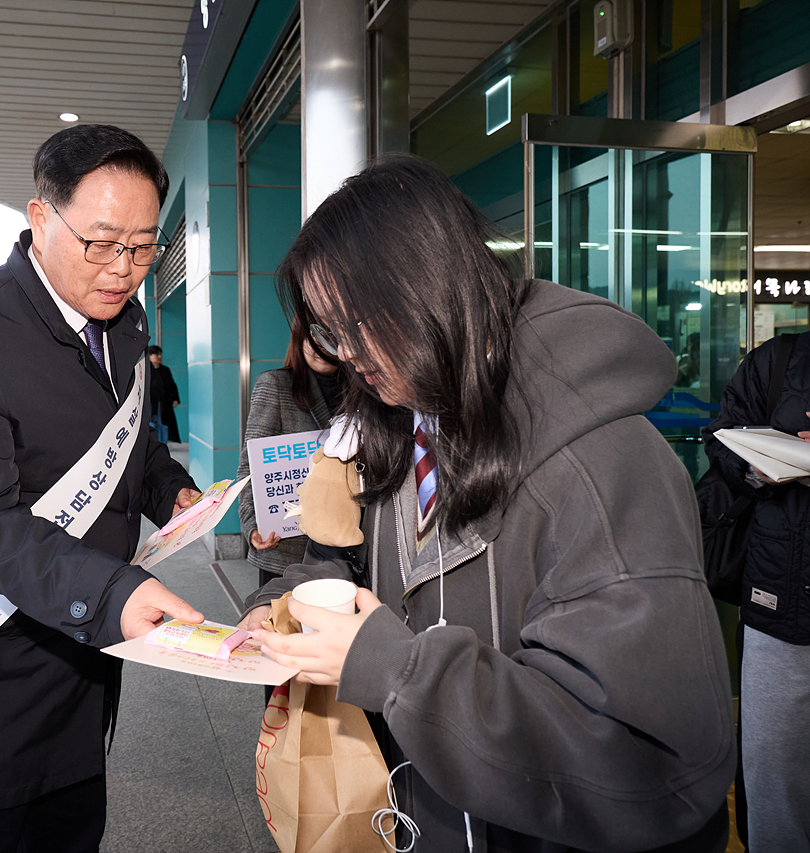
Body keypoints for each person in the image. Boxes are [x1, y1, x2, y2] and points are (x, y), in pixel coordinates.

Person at [239, 155, 736, 851]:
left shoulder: (605, 465)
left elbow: (650, 764)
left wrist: (395, 670)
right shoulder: (401, 423)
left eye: (355, 321)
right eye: (329, 331)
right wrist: (288, 600)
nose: (345, 352)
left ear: (428, 286)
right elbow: (349, 566)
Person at [0, 124, 204, 853]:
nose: (124, 268)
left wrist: (171, 490)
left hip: (84, 657)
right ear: (41, 217)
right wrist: (115, 593)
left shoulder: (122, 325)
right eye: (102, 242)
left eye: (143, 246)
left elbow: (134, 443)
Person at [703, 331, 810, 852]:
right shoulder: (778, 360)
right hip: (777, 605)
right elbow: (721, 439)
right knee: (774, 787)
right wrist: (754, 467)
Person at [236, 316, 342, 590]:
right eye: (313, 338)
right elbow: (250, 467)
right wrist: (252, 525)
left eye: (331, 337)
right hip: (288, 547)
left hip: (348, 544)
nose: (321, 348)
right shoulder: (275, 384)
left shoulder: (364, 393)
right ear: (299, 339)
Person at [146, 344, 180, 442]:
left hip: (163, 403)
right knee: (151, 423)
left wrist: (175, 398)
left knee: (163, 423)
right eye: (156, 354)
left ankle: (162, 443)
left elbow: (172, 385)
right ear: (149, 356)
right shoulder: (146, 370)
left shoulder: (165, 370)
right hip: (150, 403)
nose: (159, 356)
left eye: (160, 354)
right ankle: (152, 443)